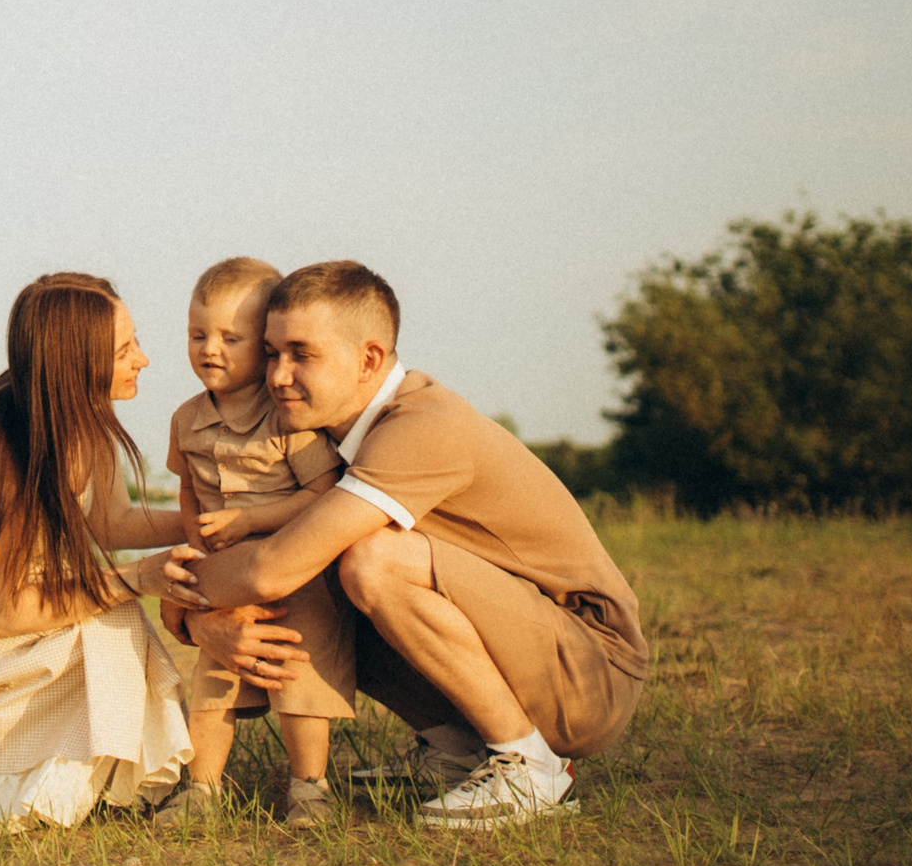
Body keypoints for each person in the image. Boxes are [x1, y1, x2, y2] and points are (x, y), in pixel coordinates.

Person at [162, 261, 650, 831]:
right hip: (538, 648)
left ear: (369, 359)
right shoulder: (329, 438)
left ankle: (528, 766)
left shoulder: (421, 425)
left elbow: (272, 570)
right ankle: (459, 748)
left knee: (371, 560)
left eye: (301, 354)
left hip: (589, 674)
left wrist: (176, 602)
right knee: (327, 575)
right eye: (271, 353)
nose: (277, 376)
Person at [0, 272, 230, 837]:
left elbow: (111, 523)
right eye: (124, 350)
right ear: (76, 362)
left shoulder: (79, 415)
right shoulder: (7, 443)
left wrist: (214, 519)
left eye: (135, 341)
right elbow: (4, 614)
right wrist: (139, 578)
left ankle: (51, 786)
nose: (144, 359)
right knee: (102, 615)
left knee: (103, 607)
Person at [158, 256, 351, 827]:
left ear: (264, 345)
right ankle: (202, 791)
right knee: (214, 679)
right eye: (197, 335)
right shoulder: (186, 419)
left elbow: (323, 492)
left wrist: (250, 520)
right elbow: (188, 489)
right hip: (226, 576)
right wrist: (196, 541)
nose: (210, 350)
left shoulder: (287, 416)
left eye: (230, 338)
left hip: (297, 571)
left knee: (298, 676)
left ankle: (309, 788)